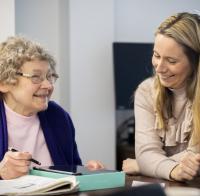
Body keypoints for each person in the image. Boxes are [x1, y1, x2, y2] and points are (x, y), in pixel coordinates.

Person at [0, 36, 104, 180]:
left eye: (50, 77)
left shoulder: (58, 116)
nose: (48, 85)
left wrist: (86, 173)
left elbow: (72, 169)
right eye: (36, 77)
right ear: (4, 83)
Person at [122, 12, 200, 182]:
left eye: (171, 61)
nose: (159, 68)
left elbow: (196, 157)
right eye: (156, 56)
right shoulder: (146, 91)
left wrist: (143, 165)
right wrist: (171, 170)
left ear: (195, 63)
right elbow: (146, 153)